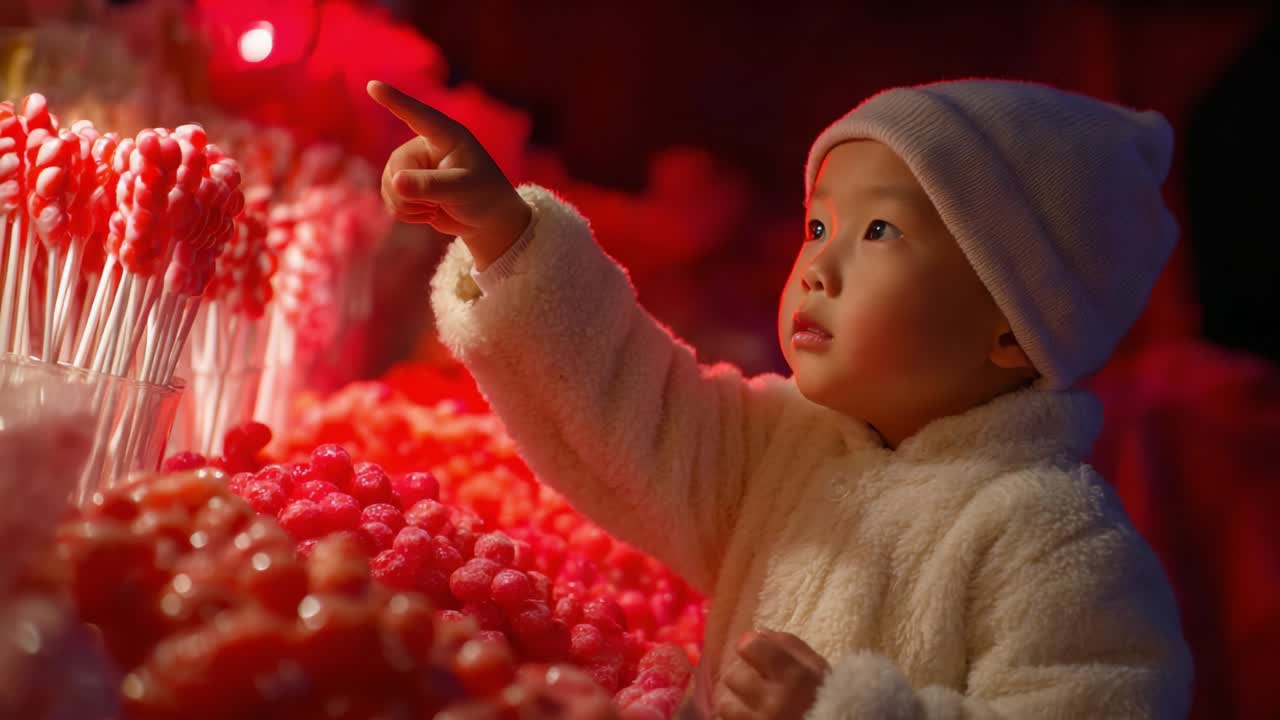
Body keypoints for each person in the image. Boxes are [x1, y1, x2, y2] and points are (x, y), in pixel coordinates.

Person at [368, 77, 1192, 718]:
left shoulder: (1054, 540)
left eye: (879, 233)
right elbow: (632, 404)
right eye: (819, 227)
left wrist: (846, 712)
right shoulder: (787, 446)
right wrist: (505, 238)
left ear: (1017, 327)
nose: (819, 269)